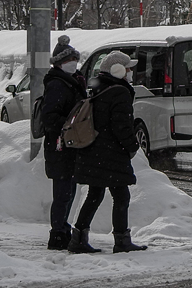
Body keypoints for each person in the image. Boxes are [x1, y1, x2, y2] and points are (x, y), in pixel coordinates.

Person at [68, 50, 148, 254]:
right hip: (111, 153)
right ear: (118, 70)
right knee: (121, 196)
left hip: (94, 150)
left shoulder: (97, 87)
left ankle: (78, 238)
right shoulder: (119, 92)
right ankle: (121, 240)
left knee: (95, 194)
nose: (131, 72)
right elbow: (121, 125)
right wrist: (131, 147)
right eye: (129, 68)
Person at [41, 35, 86, 250]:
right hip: (59, 146)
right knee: (63, 193)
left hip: (68, 145)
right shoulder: (58, 85)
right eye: (69, 60)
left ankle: (62, 230)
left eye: (75, 60)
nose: (73, 64)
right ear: (59, 63)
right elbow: (50, 117)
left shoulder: (72, 82)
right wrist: (71, 124)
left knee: (68, 191)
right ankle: (58, 233)